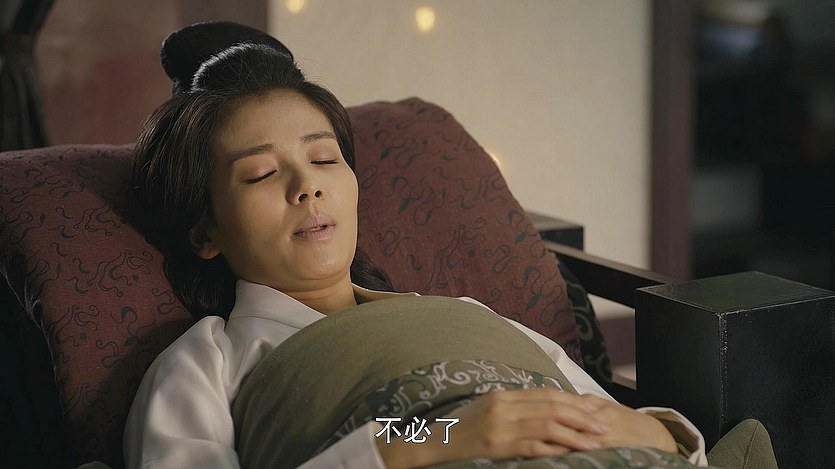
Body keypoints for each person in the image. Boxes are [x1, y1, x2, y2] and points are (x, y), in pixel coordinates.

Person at [124, 22, 730, 469]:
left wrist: (660, 435)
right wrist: (441, 436)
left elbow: (612, 421)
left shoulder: (462, 315)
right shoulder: (210, 362)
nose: (308, 186)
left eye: (324, 159)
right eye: (260, 174)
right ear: (204, 230)